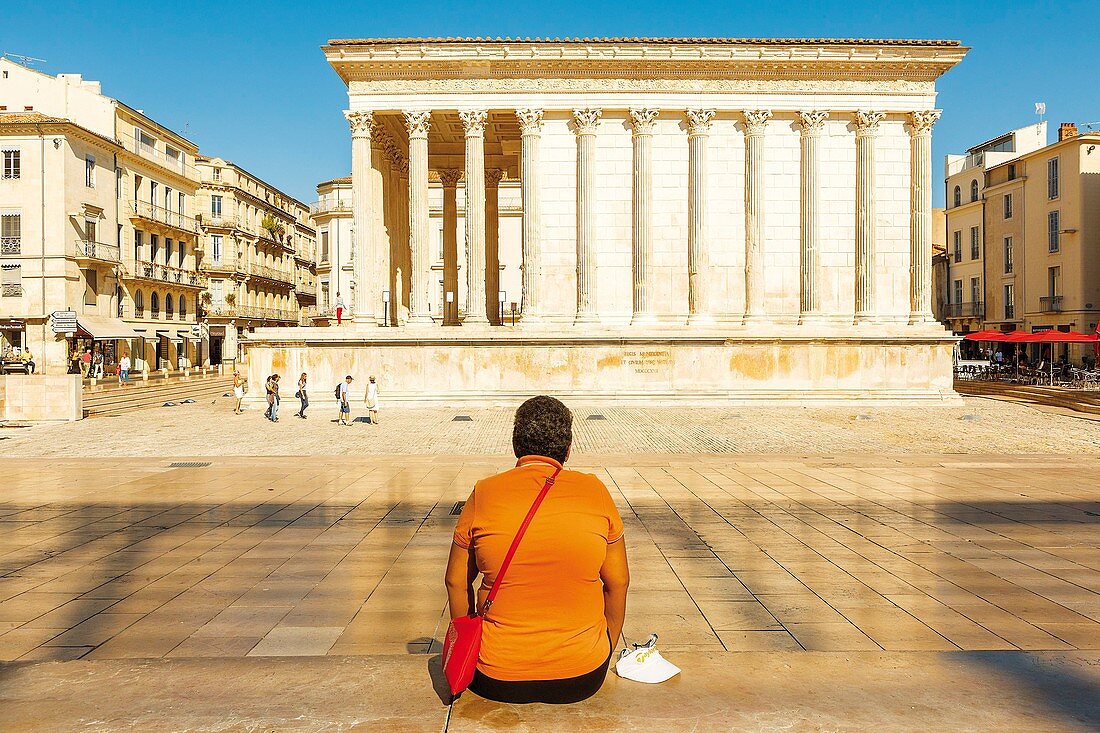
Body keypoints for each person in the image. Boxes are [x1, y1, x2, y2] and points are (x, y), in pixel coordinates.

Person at [445, 396, 629, 705]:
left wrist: (467, 643)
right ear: (568, 449)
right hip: (582, 676)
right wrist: (604, 647)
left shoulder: (484, 492)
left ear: (516, 445)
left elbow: (455, 580)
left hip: (495, 676)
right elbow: (618, 582)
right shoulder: (596, 492)